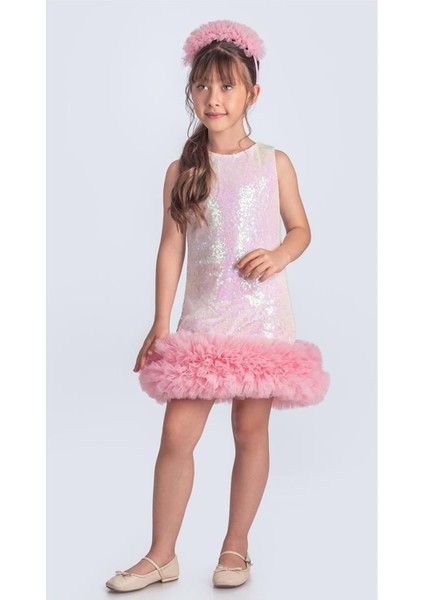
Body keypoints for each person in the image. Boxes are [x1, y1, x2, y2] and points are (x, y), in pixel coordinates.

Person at [106, 19, 330, 593]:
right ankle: (162, 554)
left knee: (250, 431)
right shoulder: (182, 172)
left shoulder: (274, 163)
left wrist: (279, 254)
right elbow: (171, 248)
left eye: (227, 86)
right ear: (191, 91)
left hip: (261, 319)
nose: (214, 97)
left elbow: (301, 228)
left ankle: (236, 545)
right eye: (203, 85)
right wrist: (161, 323)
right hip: (203, 322)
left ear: (252, 93)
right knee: (177, 436)